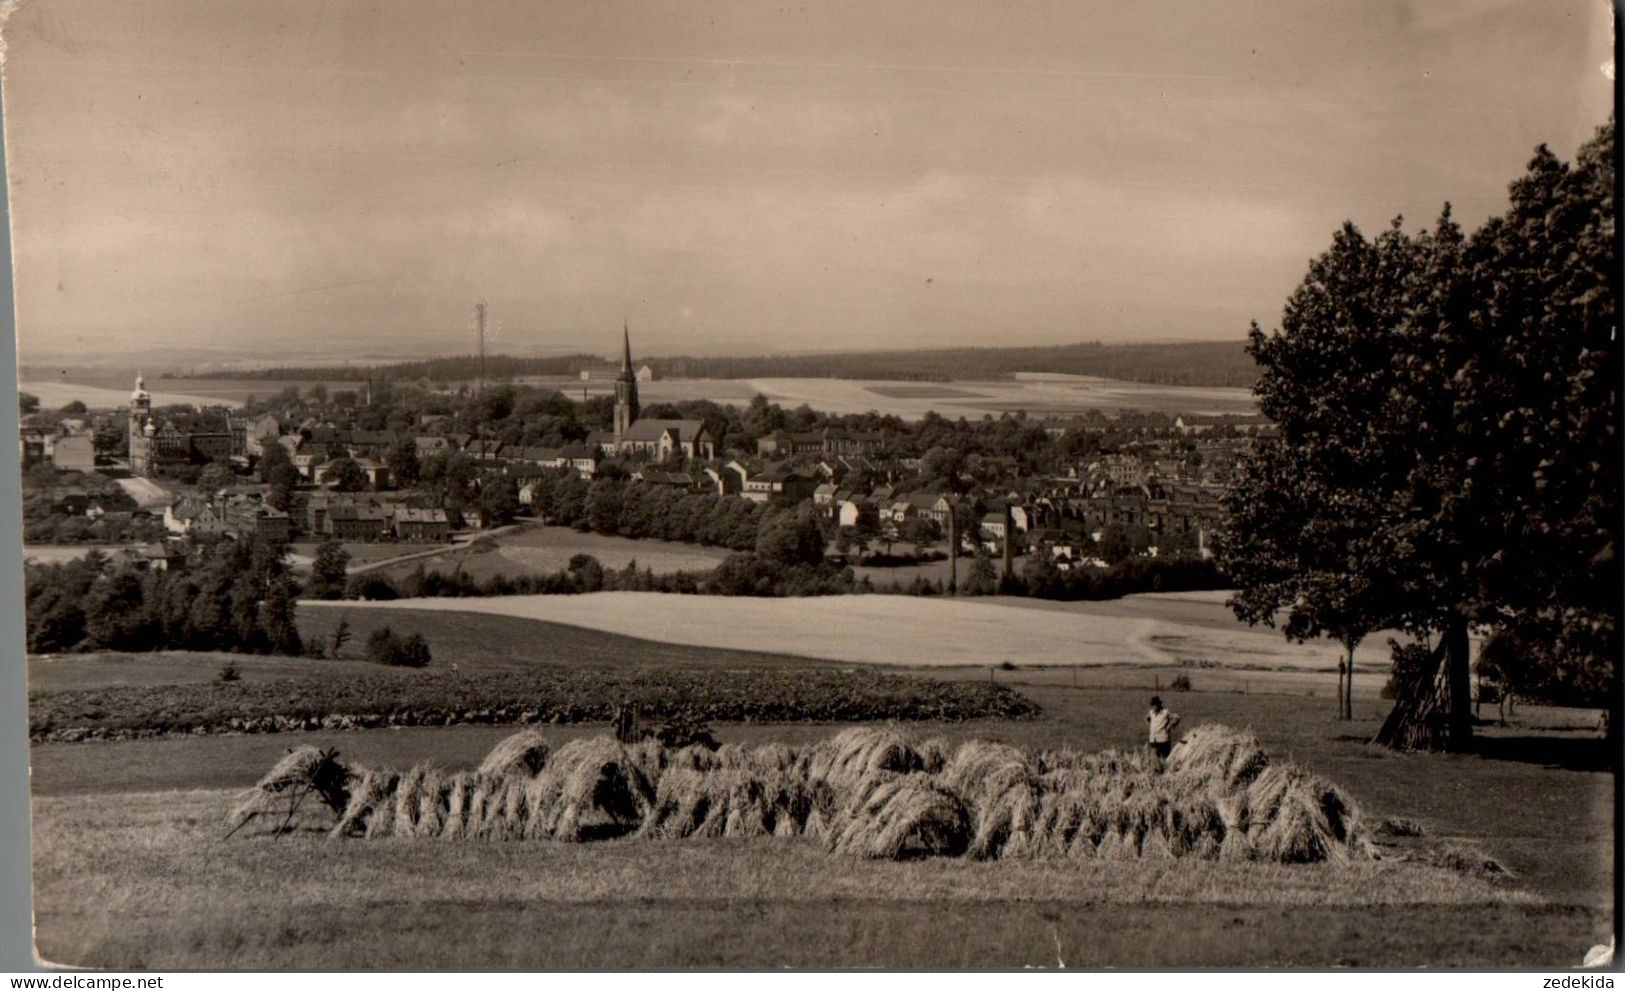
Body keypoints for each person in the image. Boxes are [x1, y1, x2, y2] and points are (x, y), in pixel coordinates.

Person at [1146, 695, 1180, 769]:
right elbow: (1147, 718)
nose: (1154, 707)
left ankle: (1167, 772)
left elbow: (1176, 718)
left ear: (1159, 704)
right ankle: (1158, 771)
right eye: (1153, 705)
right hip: (1154, 740)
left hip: (1163, 739)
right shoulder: (1151, 712)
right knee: (1154, 757)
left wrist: (1170, 726)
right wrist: (1150, 726)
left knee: (1165, 758)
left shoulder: (1165, 712)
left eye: (1156, 705)